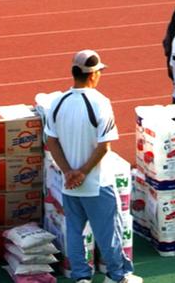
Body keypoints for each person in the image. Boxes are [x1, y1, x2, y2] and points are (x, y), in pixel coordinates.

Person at [42, 50, 141, 283]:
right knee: (109, 232)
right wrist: (83, 172)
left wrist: (68, 172)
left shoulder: (57, 102)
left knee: (75, 233)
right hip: (97, 182)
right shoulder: (100, 102)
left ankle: (81, 277)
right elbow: (104, 146)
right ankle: (117, 277)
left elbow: (51, 141)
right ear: (93, 75)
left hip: (70, 185)